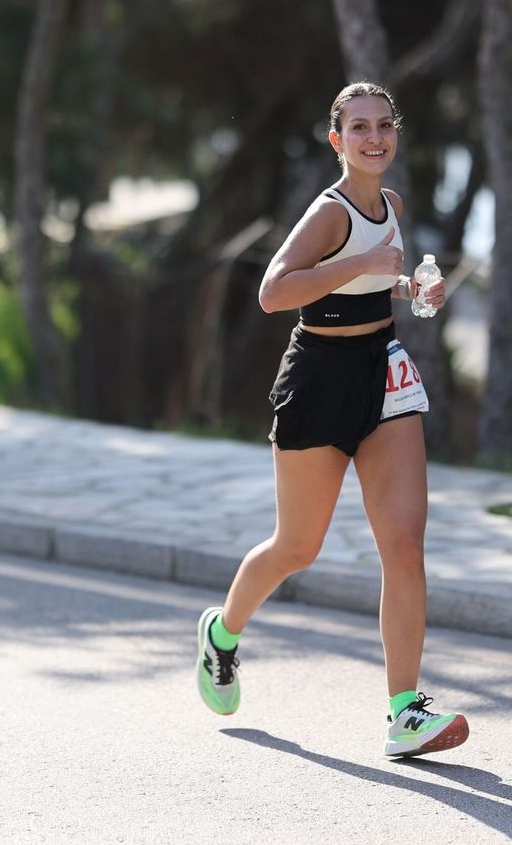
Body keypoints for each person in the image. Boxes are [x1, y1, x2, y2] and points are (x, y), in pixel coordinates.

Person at [194, 81, 467, 758]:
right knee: (297, 547)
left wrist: (411, 287)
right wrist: (364, 260)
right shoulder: (329, 211)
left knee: (403, 544)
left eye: (384, 125)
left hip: (382, 371)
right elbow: (272, 291)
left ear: (395, 134)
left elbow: (375, 284)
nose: (375, 138)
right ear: (337, 140)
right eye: (360, 127)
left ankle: (405, 711)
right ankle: (222, 634)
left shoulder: (393, 204)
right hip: (319, 379)